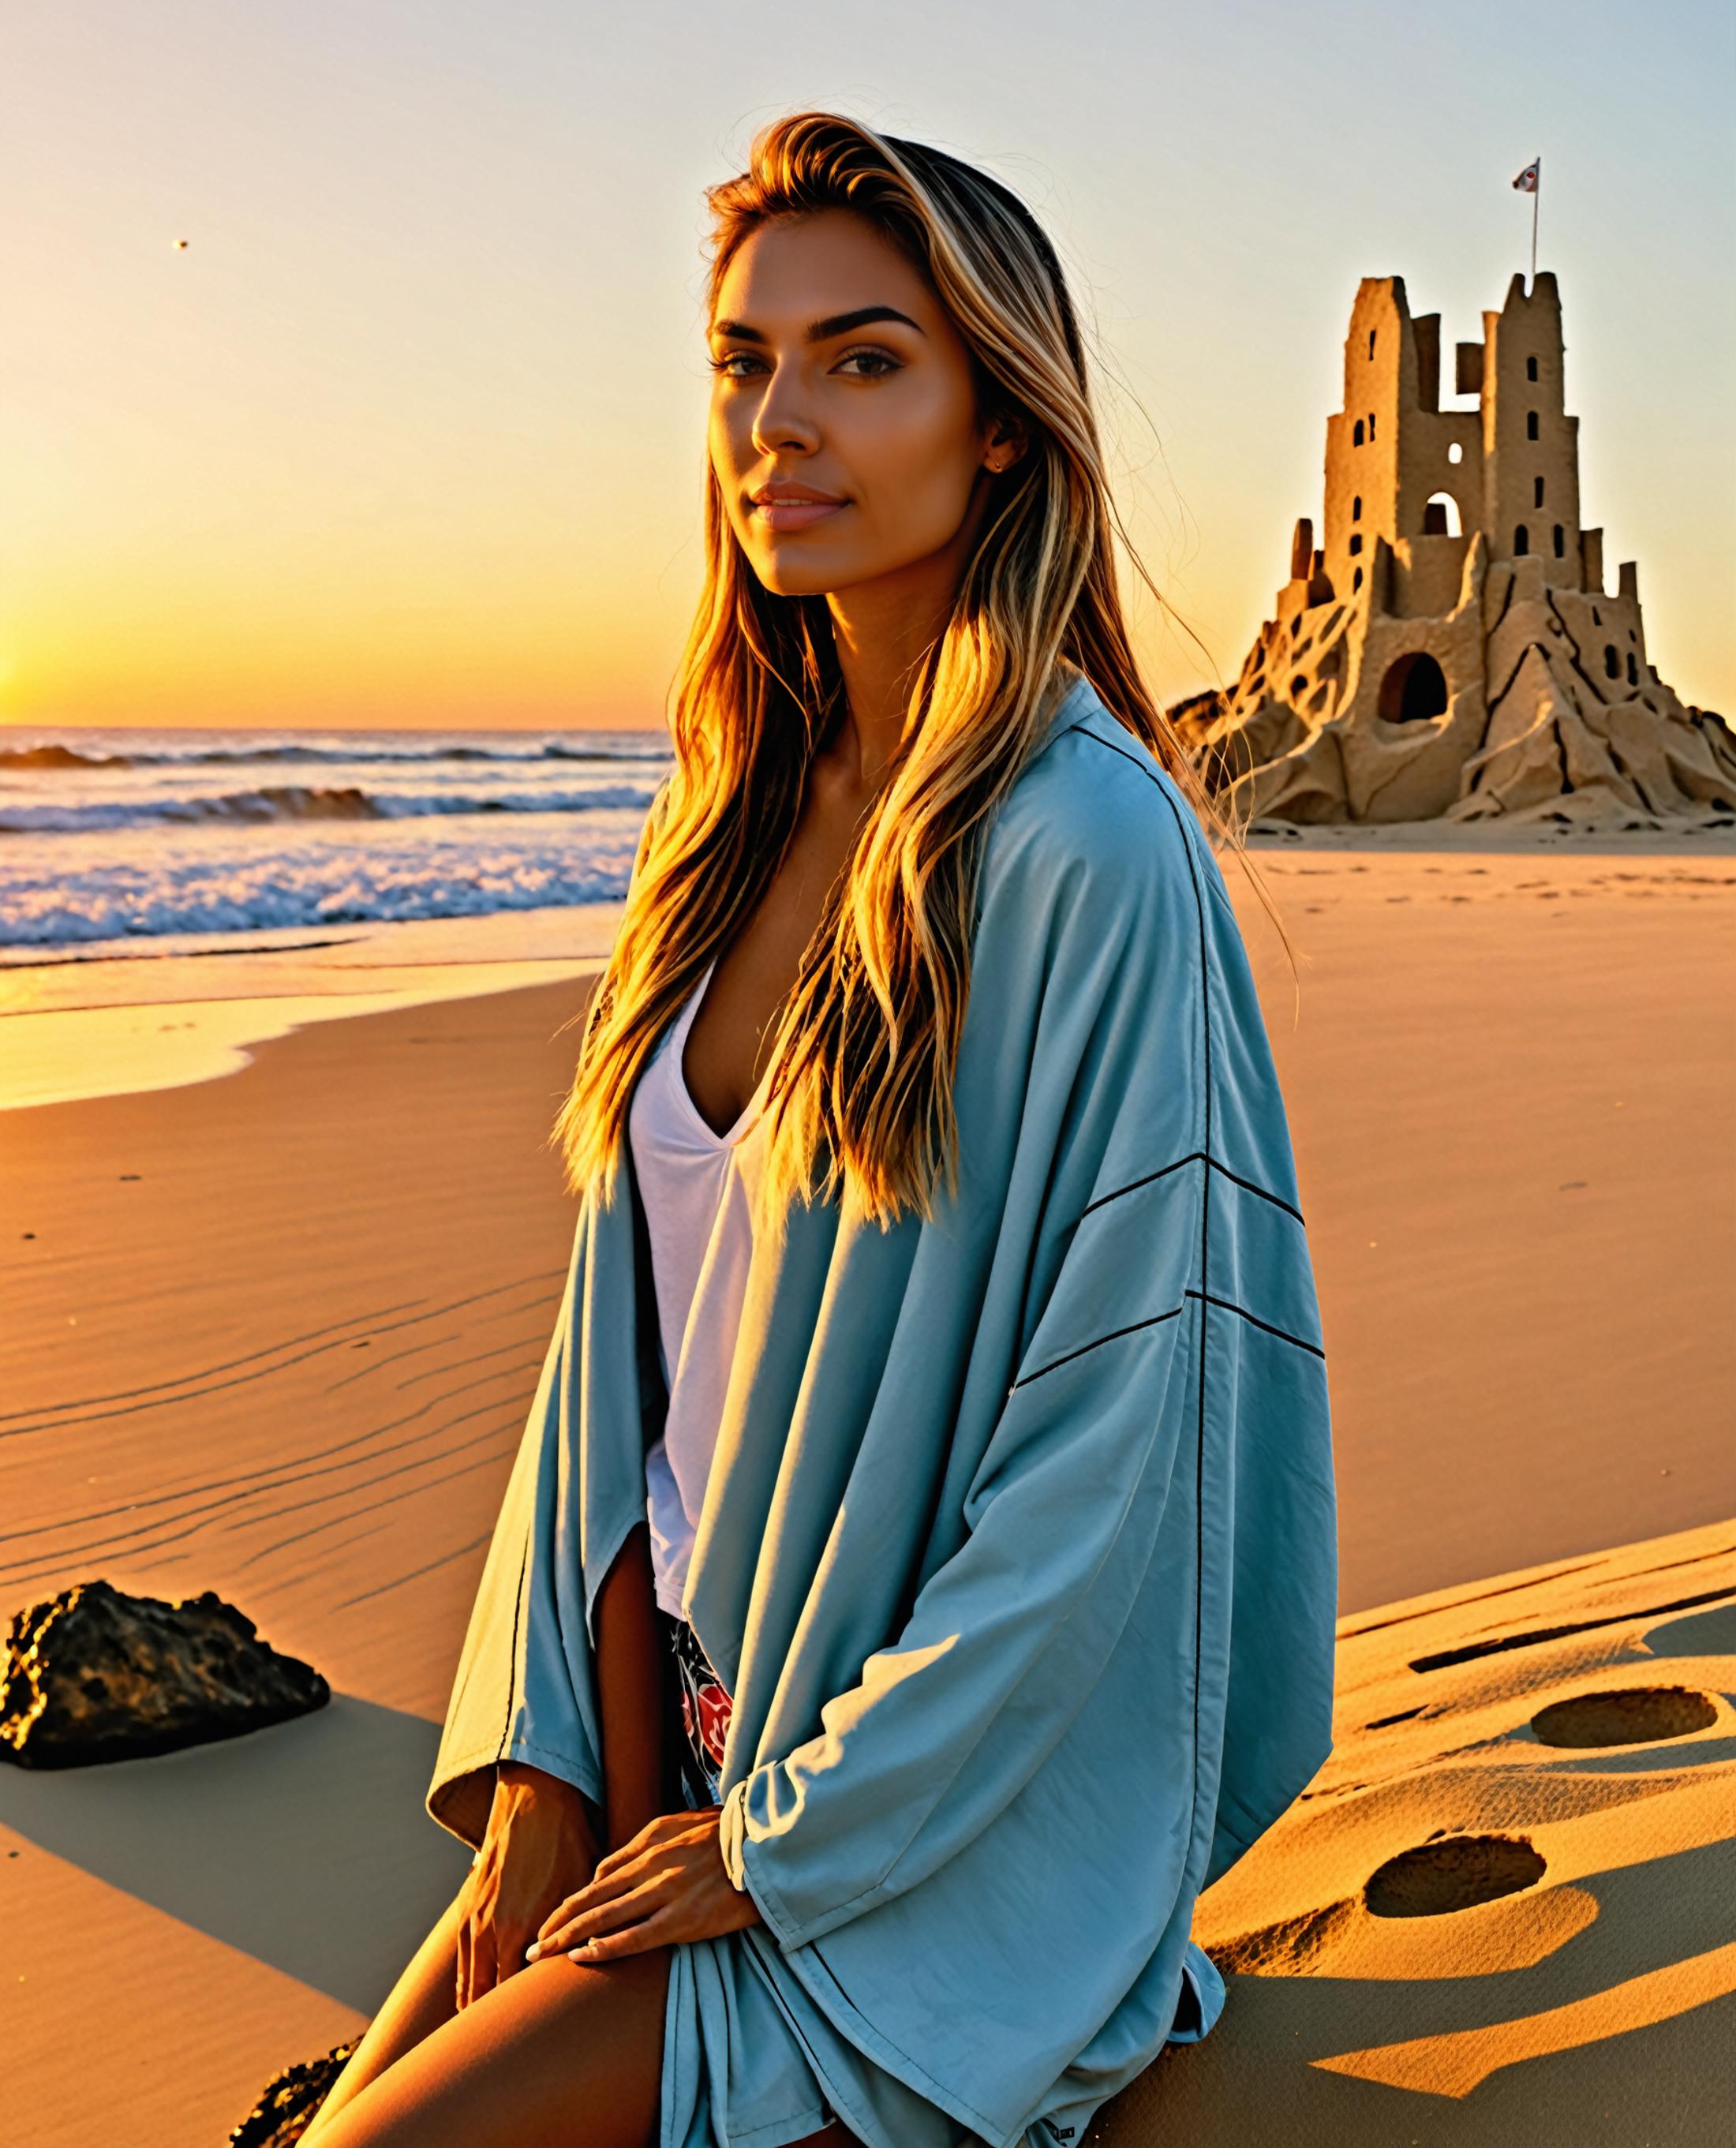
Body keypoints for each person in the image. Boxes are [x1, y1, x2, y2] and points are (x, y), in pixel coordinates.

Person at [299, 109, 1338, 2148]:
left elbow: (1123, 1452)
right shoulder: (724, 830)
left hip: (890, 1842)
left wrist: (790, 1839)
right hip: (648, 1759)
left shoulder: (1083, 848)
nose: (782, 420)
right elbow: (618, 1375)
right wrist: (541, 1787)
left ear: (1005, 424)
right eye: (743, 364)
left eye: (864, 360)